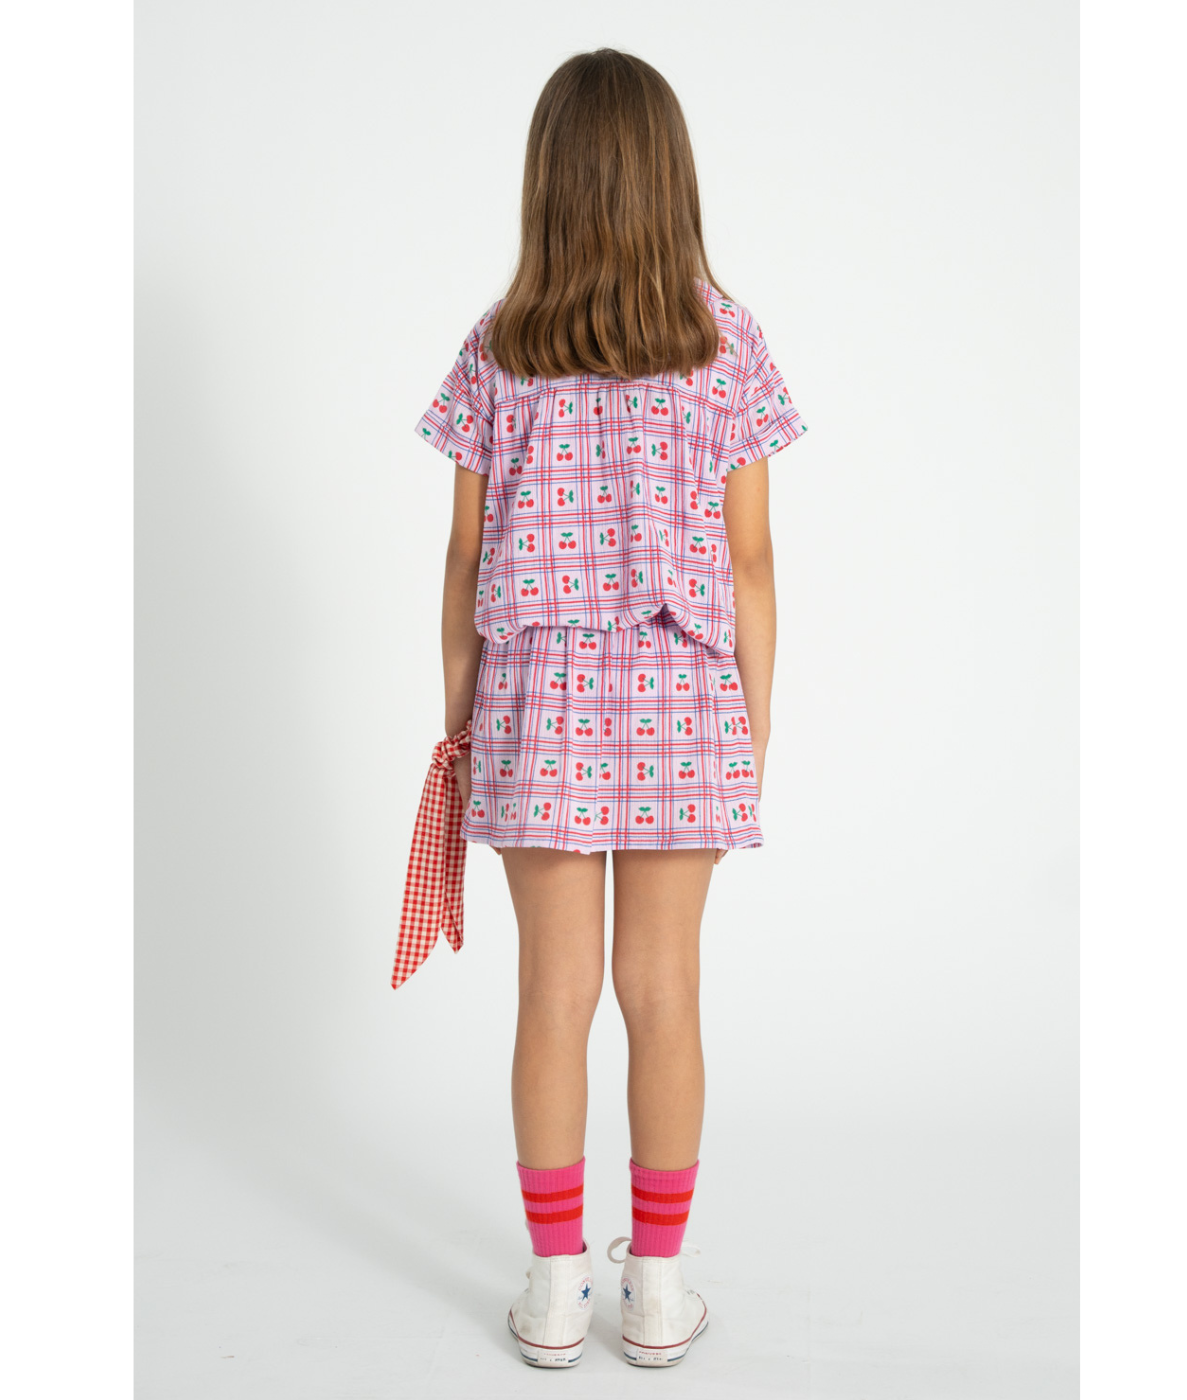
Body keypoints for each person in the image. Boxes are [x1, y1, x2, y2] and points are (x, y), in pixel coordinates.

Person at [412, 48, 807, 1368]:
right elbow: (752, 560)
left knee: (554, 993)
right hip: (684, 697)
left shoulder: (500, 344)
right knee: (664, 990)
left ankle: (551, 1289)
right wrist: (753, 725)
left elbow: (465, 559)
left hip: (536, 703)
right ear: (669, 179)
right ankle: (659, 1290)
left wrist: (460, 724)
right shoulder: (725, 341)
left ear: (551, 183)